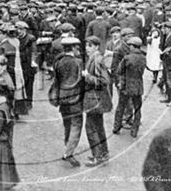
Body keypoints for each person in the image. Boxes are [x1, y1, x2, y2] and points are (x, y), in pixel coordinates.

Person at [53, 37, 84, 167]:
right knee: (76, 125)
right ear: (73, 48)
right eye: (77, 48)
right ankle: (69, 153)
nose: (78, 50)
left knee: (67, 124)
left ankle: (67, 146)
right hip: (75, 98)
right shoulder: (77, 62)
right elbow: (80, 81)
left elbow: (56, 81)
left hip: (62, 97)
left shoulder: (58, 62)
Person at [83, 36, 111, 167]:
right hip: (96, 99)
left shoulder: (98, 60)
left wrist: (87, 76)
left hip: (95, 100)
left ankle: (97, 156)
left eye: (89, 46)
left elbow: (103, 81)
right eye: (86, 45)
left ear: (96, 47)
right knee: (98, 126)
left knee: (91, 128)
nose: (86, 48)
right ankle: (103, 152)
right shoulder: (94, 58)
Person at [113, 37, 146, 137]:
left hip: (126, 87)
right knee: (137, 109)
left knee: (121, 107)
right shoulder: (143, 58)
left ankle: (116, 127)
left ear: (132, 46)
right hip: (138, 87)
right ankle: (134, 130)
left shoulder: (127, 58)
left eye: (130, 45)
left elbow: (119, 70)